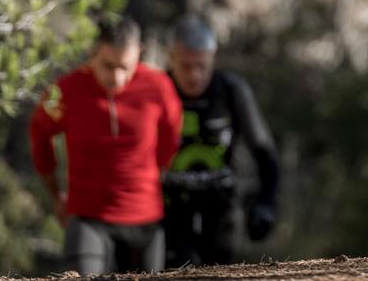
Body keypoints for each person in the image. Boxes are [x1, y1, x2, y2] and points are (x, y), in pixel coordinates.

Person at [29, 16, 182, 274]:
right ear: (92, 53)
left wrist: (158, 173)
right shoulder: (63, 91)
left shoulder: (159, 86)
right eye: (108, 66)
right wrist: (56, 193)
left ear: (139, 53)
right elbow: (39, 133)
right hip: (88, 218)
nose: (118, 78)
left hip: (145, 221)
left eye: (126, 67)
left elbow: (172, 135)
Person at [162, 14, 281, 267]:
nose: (194, 75)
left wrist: (266, 204)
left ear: (213, 58)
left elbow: (265, 151)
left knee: (218, 271)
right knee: (180, 267)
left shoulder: (231, 91)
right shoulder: (157, 90)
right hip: (169, 209)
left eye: (202, 66)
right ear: (170, 58)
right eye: (185, 66)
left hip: (221, 206)